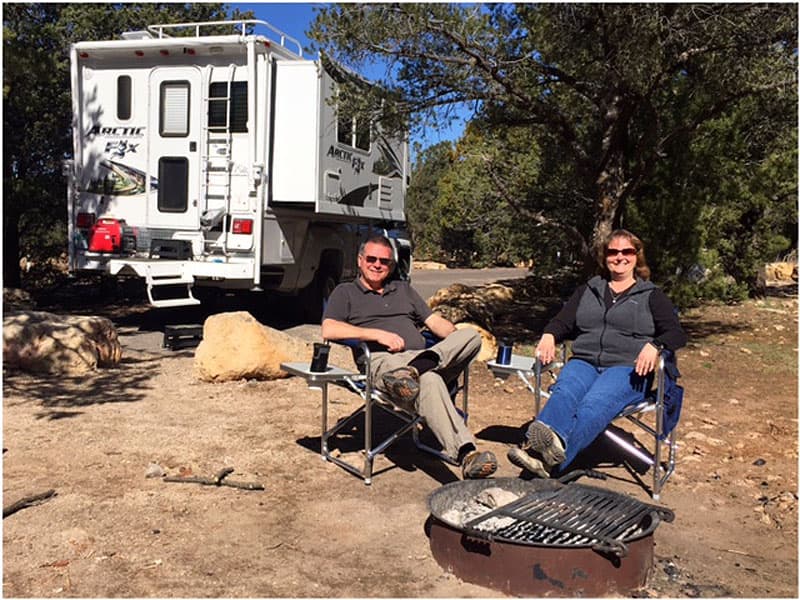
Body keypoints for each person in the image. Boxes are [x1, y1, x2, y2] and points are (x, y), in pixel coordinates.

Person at [508, 229, 688, 477]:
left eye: (627, 251)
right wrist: (549, 334)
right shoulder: (588, 290)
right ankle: (546, 449)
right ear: (605, 257)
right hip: (585, 361)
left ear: (637, 255)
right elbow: (563, 321)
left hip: (628, 369)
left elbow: (676, 333)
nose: (619, 257)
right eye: (613, 252)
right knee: (565, 391)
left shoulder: (651, 295)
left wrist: (655, 345)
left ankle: (548, 462)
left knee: (593, 405)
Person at [321, 234, 498, 479]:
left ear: (392, 265)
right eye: (371, 259)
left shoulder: (403, 289)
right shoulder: (346, 292)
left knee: (471, 337)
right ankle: (467, 455)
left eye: (384, 261)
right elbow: (329, 329)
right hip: (387, 363)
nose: (377, 265)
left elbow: (434, 322)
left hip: (423, 358)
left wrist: (456, 340)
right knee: (432, 381)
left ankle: (417, 368)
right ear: (360, 260)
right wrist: (376, 334)